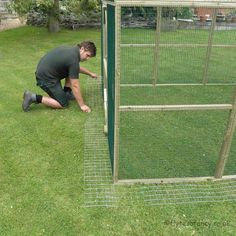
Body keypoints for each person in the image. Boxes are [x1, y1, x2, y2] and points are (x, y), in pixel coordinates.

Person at [22, 41, 97, 113]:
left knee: (70, 71)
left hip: (46, 73)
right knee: (63, 104)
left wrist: (90, 73)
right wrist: (82, 105)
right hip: (45, 79)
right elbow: (75, 85)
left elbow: (75, 68)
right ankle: (32, 97)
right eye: (87, 55)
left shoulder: (72, 51)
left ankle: (67, 93)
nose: (87, 59)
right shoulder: (73, 59)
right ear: (82, 49)